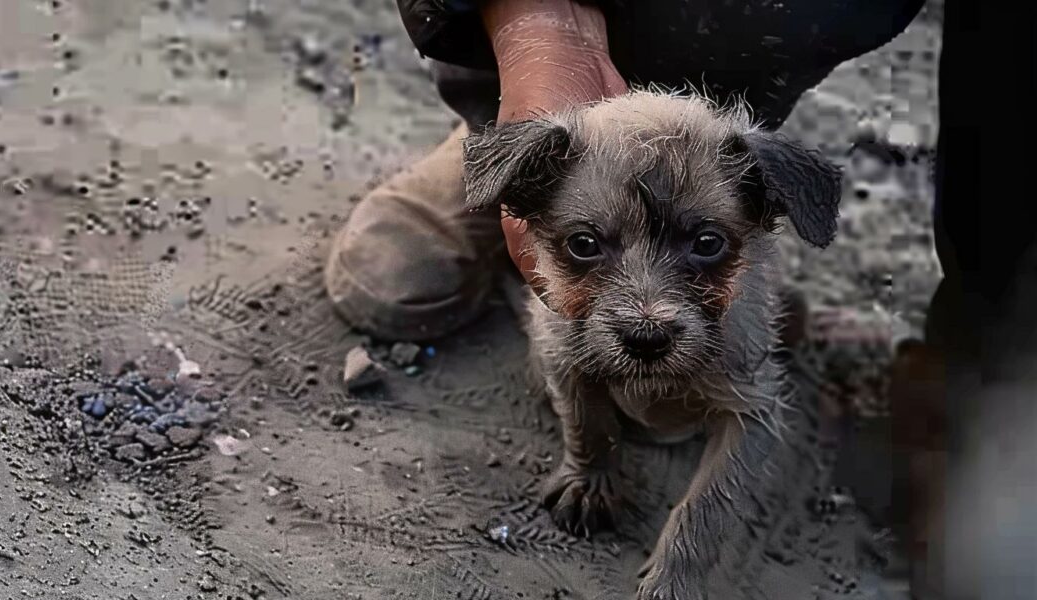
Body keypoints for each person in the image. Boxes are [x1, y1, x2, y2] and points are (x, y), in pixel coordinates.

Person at [326, 0, 1032, 597]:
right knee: (570, 342)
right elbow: (569, 366)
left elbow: (750, 418)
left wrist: (683, 567)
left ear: (761, 210)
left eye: (707, 246)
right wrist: (542, 25)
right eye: (585, 245)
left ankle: (1010, 369)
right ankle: (516, 129)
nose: (647, 313)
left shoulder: (754, 194)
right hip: (555, 101)